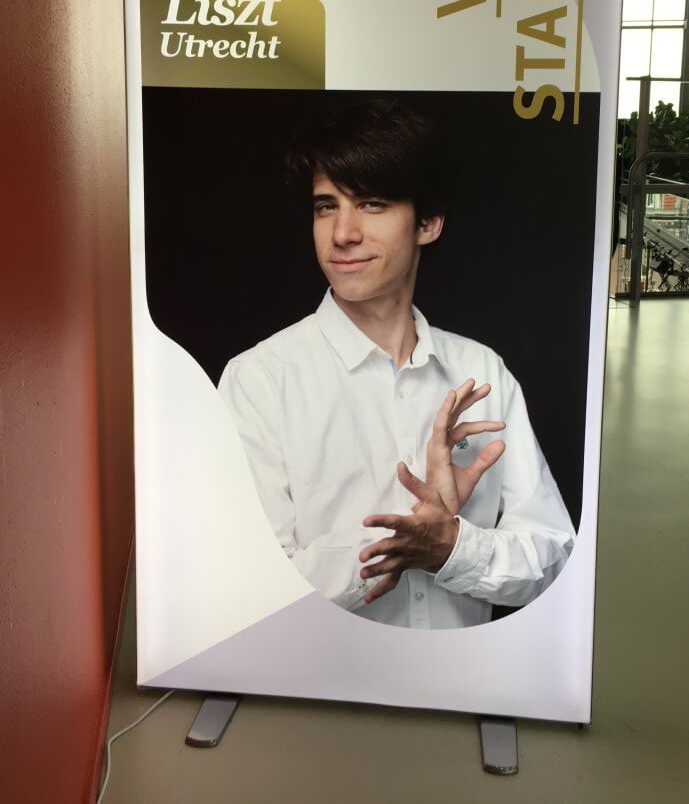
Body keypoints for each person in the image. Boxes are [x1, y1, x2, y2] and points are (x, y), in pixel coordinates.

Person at [218, 98, 574, 629]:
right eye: (324, 206)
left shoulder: (482, 370)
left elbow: (551, 559)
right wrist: (416, 536)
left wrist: (453, 546)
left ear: (428, 223)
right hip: (319, 698)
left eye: (372, 203)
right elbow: (249, 587)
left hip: (461, 688)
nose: (342, 233)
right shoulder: (260, 380)